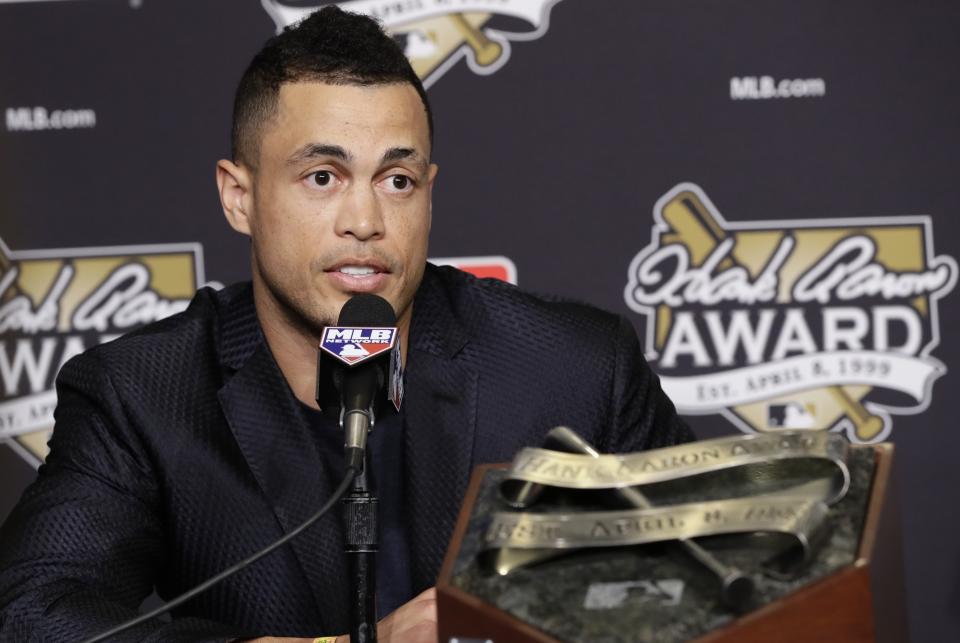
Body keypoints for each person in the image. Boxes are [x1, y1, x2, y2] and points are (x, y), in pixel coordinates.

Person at [0, 7, 693, 642]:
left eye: (398, 181)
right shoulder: (147, 391)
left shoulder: (572, 368)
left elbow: (734, 582)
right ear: (238, 197)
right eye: (324, 177)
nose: (365, 222)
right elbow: (30, 613)